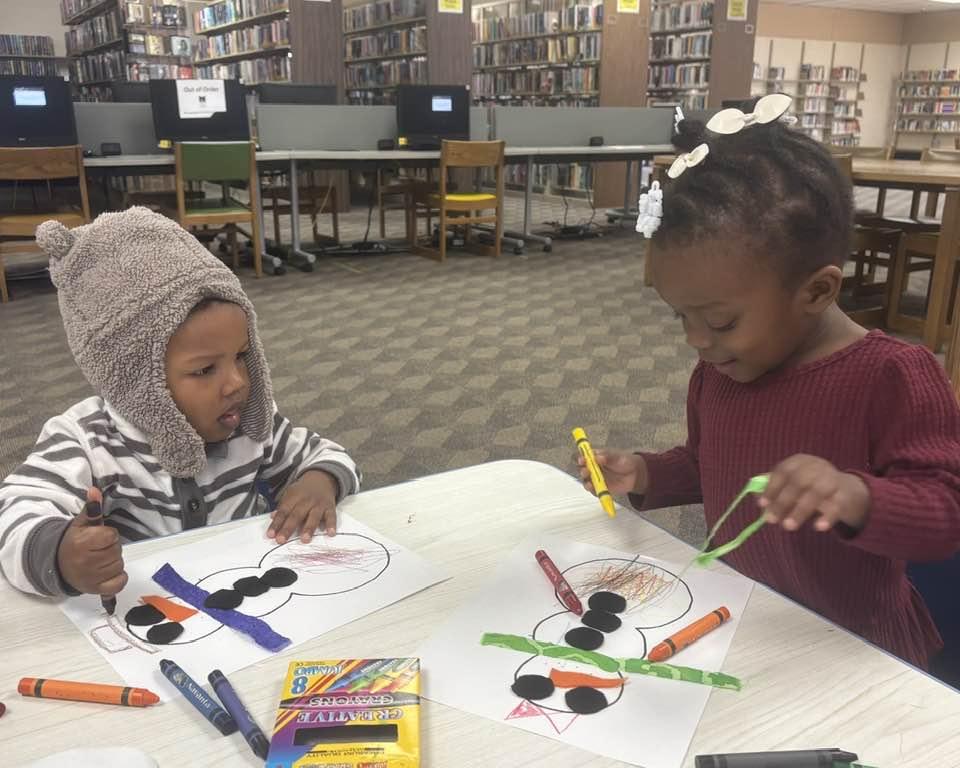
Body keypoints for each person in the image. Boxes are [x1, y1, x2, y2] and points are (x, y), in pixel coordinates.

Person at [581, 97, 960, 669]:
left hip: (861, 652)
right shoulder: (721, 370)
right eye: (680, 316)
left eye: (720, 321)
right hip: (747, 629)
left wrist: (854, 496)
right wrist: (645, 472)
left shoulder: (893, 376)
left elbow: (946, 516)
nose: (696, 341)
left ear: (816, 291)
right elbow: (712, 465)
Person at [0, 207, 359, 600]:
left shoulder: (250, 424)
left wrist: (320, 480)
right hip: (152, 616)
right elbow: (15, 517)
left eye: (241, 355)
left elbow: (329, 454)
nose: (237, 382)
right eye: (205, 370)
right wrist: (60, 556)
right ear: (135, 379)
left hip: (250, 596)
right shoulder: (87, 440)